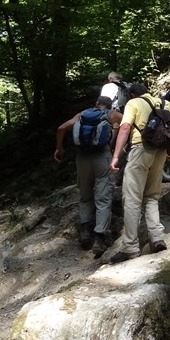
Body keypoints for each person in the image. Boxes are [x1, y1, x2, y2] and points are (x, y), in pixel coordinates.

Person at [109, 83, 170, 263]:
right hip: (160, 152)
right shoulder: (162, 103)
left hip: (140, 150)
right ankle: (157, 238)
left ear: (132, 94)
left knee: (131, 198)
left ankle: (130, 246)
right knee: (152, 196)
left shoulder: (134, 103)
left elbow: (124, 128)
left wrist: (115, 157)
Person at [54, 96, 123, 257]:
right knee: (103, 198)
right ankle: (99, 239)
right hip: (102, 157)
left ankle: (85, 231)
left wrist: (59, 149)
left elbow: (61, 128)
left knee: (85, 196)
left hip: (82, 159)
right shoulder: (112, 114)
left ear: (96, 104)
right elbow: (128, 126)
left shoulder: (82, 114)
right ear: (109, 105)